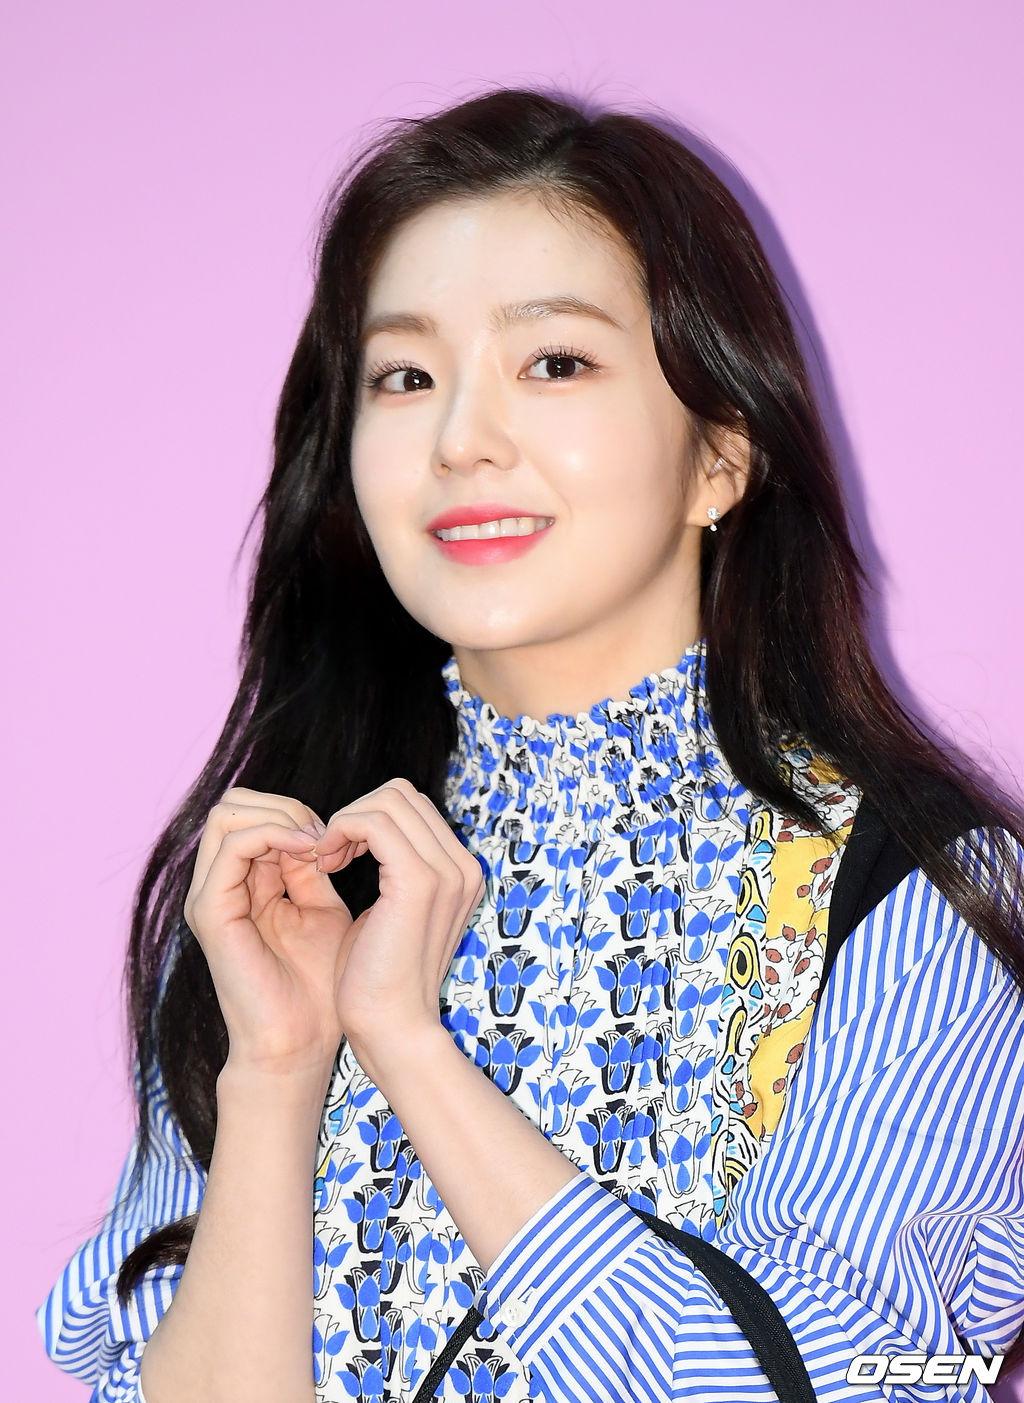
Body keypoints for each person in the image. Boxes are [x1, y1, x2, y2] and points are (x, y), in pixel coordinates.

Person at [36, 84, 1024, 1403]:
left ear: (722, 453)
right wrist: (275, 1073)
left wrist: (410, 1046)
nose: (462, 441)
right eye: (405, 377)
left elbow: (835, 1383)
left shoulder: (910, 888)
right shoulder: (284, 885)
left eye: (555, 363)